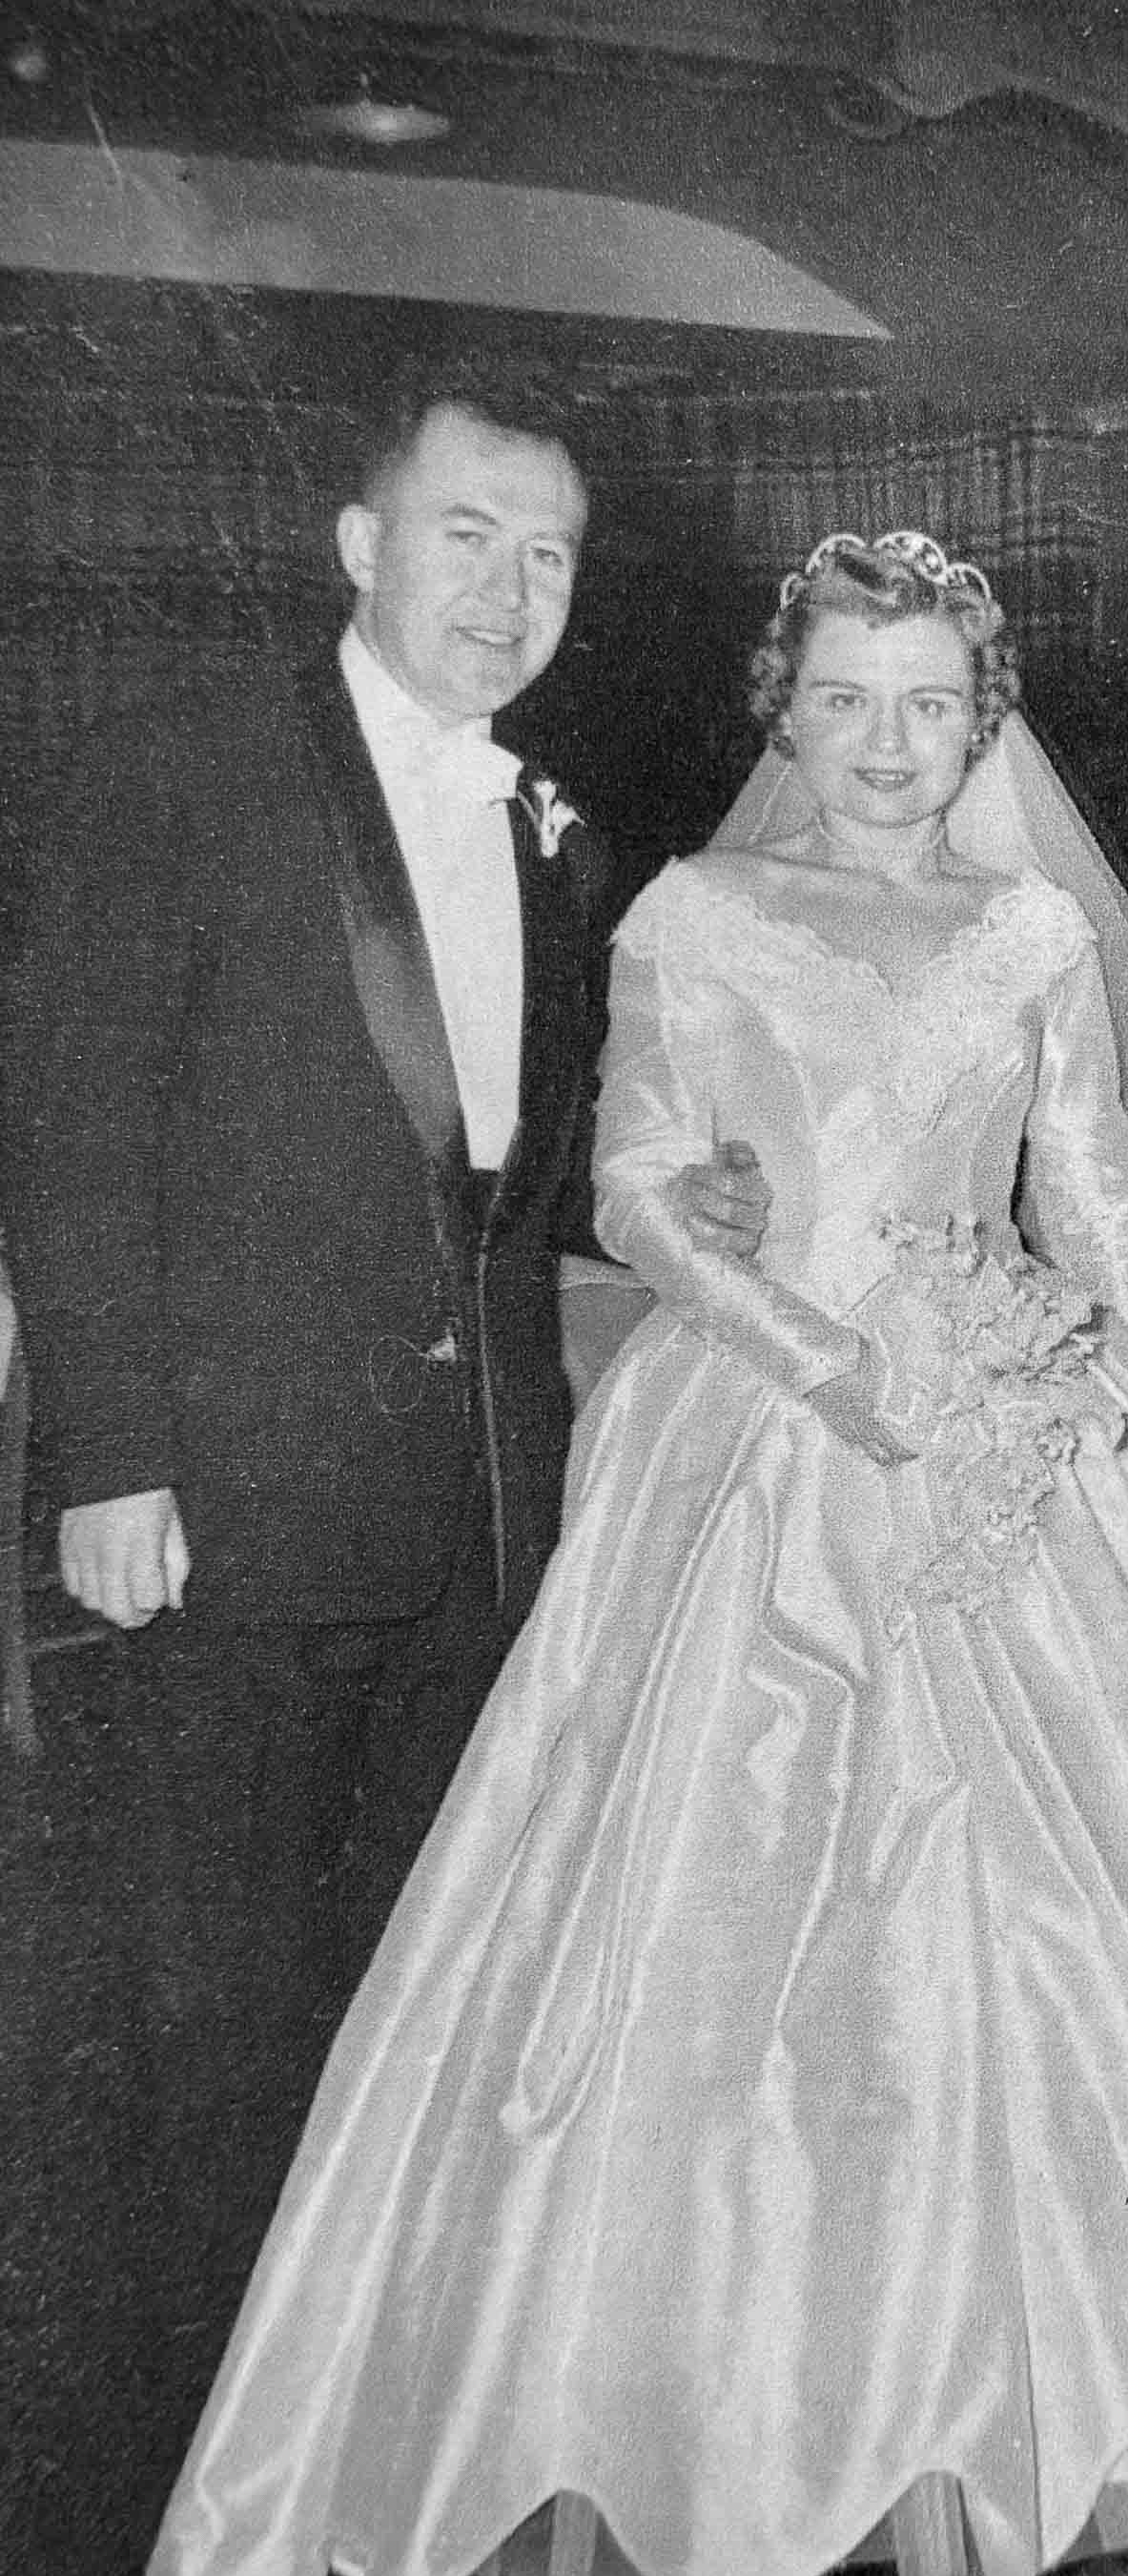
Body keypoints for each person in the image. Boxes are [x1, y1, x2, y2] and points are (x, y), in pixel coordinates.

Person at [146, 529, 1128, 2576]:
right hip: (765, 1425)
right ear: (785, 710)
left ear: (979, 719)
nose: (891, 744)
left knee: (1106, 1920)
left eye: (933, 703)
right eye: (847, 701)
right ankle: (746, 2422)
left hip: (1023, 1430)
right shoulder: (695, 909)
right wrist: (836, 1366)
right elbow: (635, 1186)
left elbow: (1092, 1194)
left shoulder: (1026, 927)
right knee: (744, 1937)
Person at [0, 375, 765, 2428]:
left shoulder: (565, 831)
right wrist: (115, 1456)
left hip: (489, 1498)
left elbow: (514, 1175)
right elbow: (74, 1128)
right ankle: (208, 2431)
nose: (511, 591)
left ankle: (389, 2401)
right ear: (359, 544)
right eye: (466, 534)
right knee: (218, 1985)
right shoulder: (179, 764)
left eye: (551, 556)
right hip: (232, 1492)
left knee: (420, 1966)